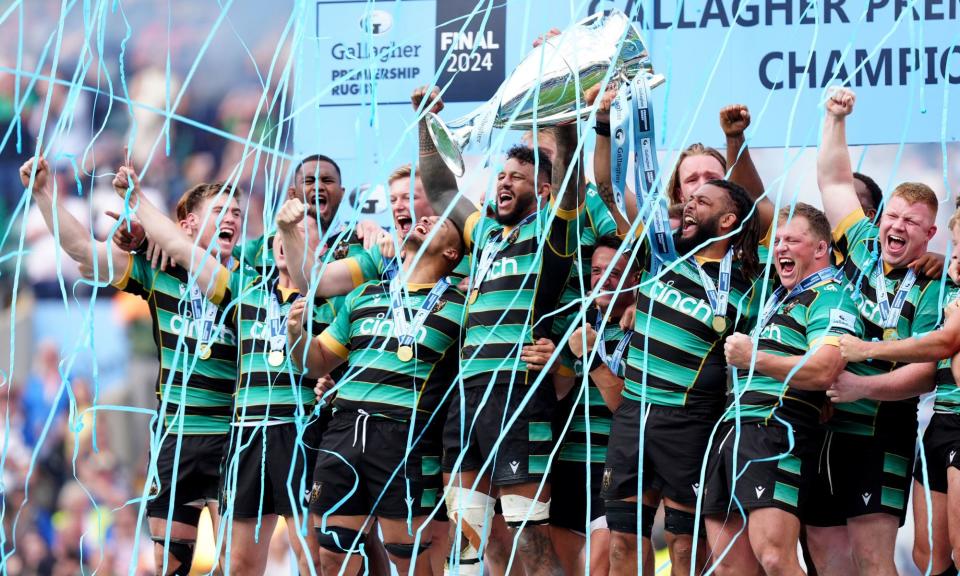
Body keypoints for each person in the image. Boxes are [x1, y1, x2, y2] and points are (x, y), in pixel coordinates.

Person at [19, 156, 239, 576]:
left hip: (234, 436)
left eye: (237, 214)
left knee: (235, 562)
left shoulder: (251, 274)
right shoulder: (161, 273)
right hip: (177, 436)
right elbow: (85, 250)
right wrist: (45, 196)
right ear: (187, 225)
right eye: (220, 213)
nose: (232, 220)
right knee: (167, 562)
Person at [110, 166, 328, 576]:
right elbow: (181, 245)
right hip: (244, 434)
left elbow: (338, 359)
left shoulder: (325, 299)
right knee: (228, 565)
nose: (286, 242)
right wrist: (138, 210)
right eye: (281, 236)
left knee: (314, 559)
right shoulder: (243, 290)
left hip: (295, 433)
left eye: (299, 236)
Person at [589, 90, 770, 575]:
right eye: (687, 197)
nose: (689, 205)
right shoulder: (660, 249)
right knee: (623, 543)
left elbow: (763, 213)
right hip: (632, 414)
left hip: (692, 423)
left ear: (729, 219)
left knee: (687, 550)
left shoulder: (752, 275)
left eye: (704, 200)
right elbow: (607, 189)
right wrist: (604, 123)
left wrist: (736, 143)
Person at [415, 84, 585, 576]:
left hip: (516, 391)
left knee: (529, 540)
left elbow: (571, 182)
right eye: (502, 175)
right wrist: (428, 126)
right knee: (467, 540)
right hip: (467, 395)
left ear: (544, 189)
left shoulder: (552, 230)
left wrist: (566, 120)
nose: (505, 182)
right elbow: (443, 189)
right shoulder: (485, 232)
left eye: (519, 177)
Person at [804, 86, 942, 576]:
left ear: (930, 234)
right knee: (824, 555)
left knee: (872, 560)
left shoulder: (932, 284)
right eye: (894, 217)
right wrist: (834, 118)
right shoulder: (860, 242)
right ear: (880, 220)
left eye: (913, 222)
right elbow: (834, 179)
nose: (898, 227)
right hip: (824, 429)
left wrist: (861, 385)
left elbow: (927, 374)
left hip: (881, 433)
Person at [286, 206, 466, 576]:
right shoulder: (365, 294)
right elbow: (316, 361)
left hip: (406, 440)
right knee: (333, 555)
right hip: (344, 432)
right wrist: (295, 334)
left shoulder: (462, 308)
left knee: (409, 557)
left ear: (453, 254)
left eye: (442, 222)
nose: (428, 218)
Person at [703, 203, 862, 576]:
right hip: (730, 432)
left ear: (821, 249)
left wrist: (753, 357)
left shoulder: (831, 295)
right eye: (776, 241)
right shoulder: (777, 298)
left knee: (775, 558)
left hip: (775, 430)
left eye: (792, 240)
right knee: (729, 568)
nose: (780, 248)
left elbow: (825, 368)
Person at [836, 208, 960, 576]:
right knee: (929, 557)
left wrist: (868, 350)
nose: (957, 257)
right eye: (955, 247)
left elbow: (947, 348)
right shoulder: (947, 288)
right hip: (940, 422)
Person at [549, 235, 639, 576]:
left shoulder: (643, 327)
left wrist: (593, 360)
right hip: (570, 461)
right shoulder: (579, 322)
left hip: (614, 464)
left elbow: (623, 405)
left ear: (635, 278)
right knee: (568, 569)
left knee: (598, 567)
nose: (603, 279)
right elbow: (559, 392)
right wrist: (566, 356)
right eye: (597, 271)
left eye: (614, 273)